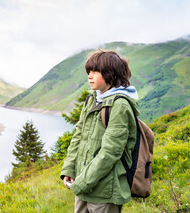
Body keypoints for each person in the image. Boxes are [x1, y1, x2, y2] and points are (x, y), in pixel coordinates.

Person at [60, 49, 140, 213]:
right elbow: (78, 136)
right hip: (83, 185)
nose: (90, 76)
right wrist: (69, 169)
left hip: (105, 191)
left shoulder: (120, 105)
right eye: (89, 71)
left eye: (95, 71)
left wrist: (83, 182)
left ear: (111, 74)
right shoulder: (92, 100)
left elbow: (111, 152)